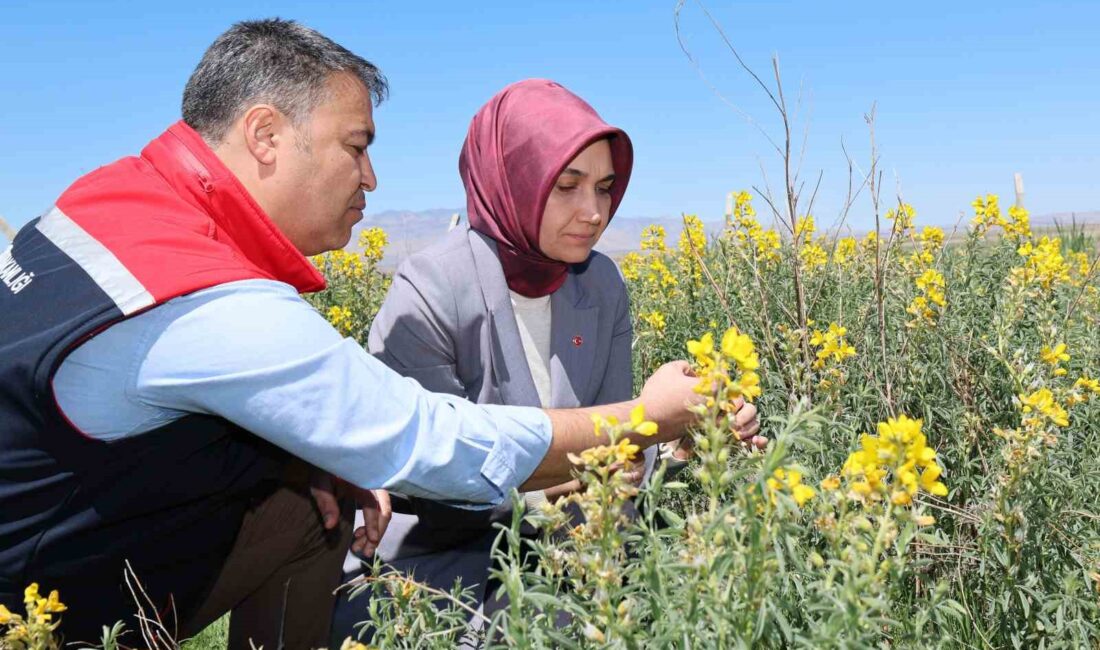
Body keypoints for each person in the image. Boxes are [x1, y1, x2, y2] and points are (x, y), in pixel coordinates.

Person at [0, 20, 705, 649]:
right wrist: (647, 419)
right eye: (355, 146)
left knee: (311, 499)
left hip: (53, 535)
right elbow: (428, 442)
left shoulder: (111, 203)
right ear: (266, 135)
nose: (371, 176)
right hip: (29, 602)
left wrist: (305, 462)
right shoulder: (205, 300)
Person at [331, 80, 763, 641]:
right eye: (567, 186)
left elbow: (618, 450)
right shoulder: (431, 288)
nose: (593, 213)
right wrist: (622, 438)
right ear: (512, 182)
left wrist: (683, 443)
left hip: (576, 552)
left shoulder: (601, 282)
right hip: (441, 573)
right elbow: (441, 477)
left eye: (605, 188)